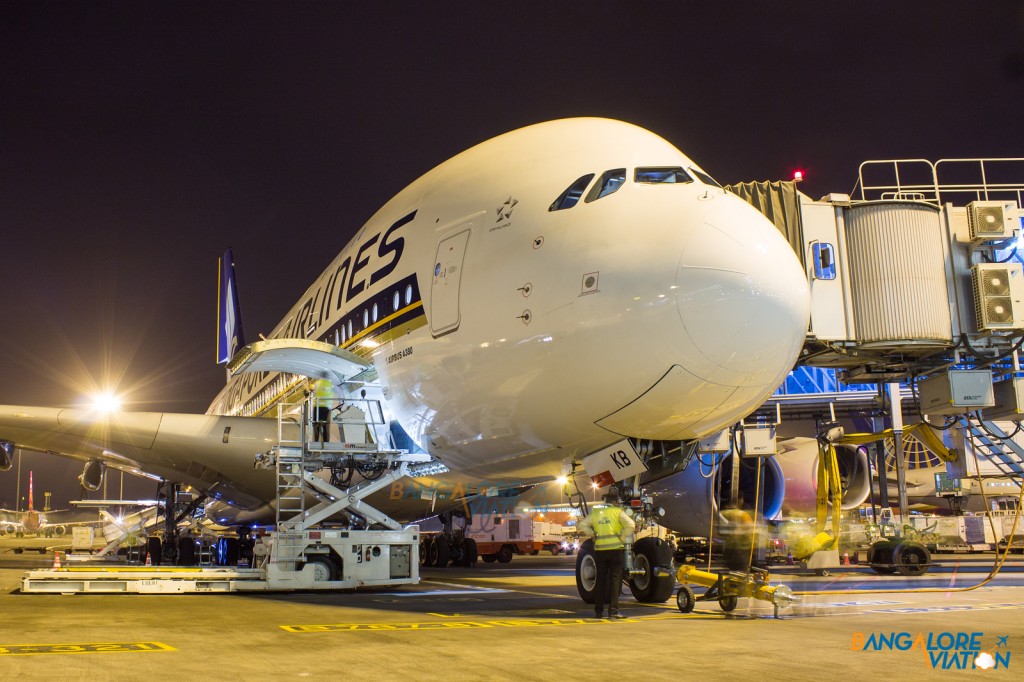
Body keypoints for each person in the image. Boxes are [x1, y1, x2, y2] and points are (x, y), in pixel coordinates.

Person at [577, 486, 636, 619]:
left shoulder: (597, 512)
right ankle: (613, 611)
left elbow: (582, 525)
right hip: (616, 551)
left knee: (601, 580)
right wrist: (622, 536)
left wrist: (592, 534)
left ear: (605, 501)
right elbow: (631, 525)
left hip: (601, 550)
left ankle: (598, 611)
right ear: (615, 502)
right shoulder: (617, 512)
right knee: (615, 581)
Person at [311, 372, 336, 443]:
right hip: (327, 407)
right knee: (325, 425)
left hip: (317, 406)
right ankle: (326, 441)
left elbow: (314, 392)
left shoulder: (317, 383)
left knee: (316, 424)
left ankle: (316, 440)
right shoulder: (330, 384)